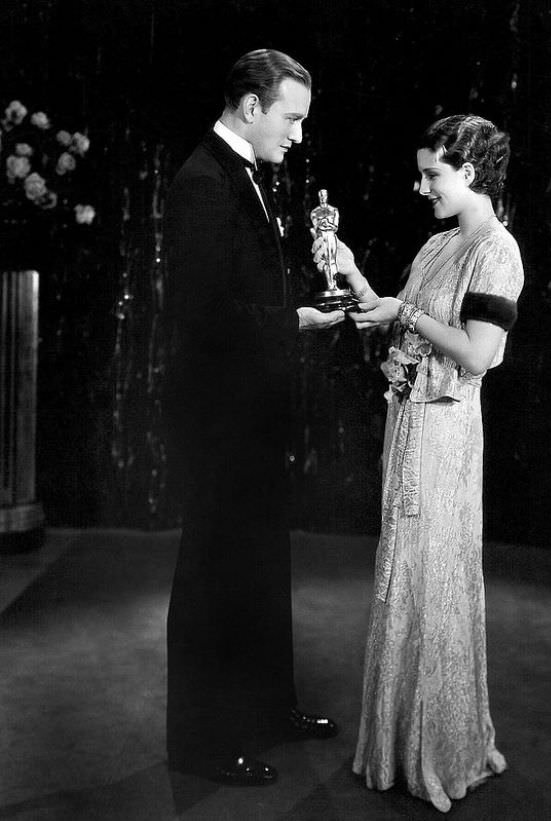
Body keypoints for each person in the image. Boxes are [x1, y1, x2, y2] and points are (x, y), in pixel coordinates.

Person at [312, 114, 524, 812]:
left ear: (468, 172)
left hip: (446, 432)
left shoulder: (496, 251)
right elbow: (391, 312)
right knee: (402, 570)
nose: (420, 184)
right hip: (407, 422)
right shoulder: (437, 243)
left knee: (433, 575)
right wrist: (350, 272)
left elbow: (478, 354)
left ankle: (441, 748)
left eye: (432, 173)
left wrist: (401, 311)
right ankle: (395, 746)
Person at [164, 49, 344, 787]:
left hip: (252, 411)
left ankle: (270, 707)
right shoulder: (204, 183)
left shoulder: (245, 175)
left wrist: (309, 301)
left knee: (265, 563)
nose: (298, 136)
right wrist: (292, 322)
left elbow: (246, 286)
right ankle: (203, 745)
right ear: (248, 105)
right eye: (291, 118)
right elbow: (203, 316)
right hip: (218, 418)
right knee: (215, 574)